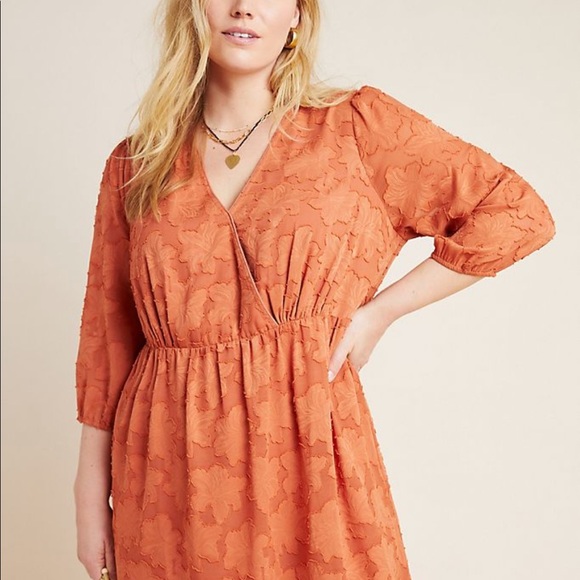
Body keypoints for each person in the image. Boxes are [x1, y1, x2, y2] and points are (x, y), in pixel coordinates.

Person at [73, 0, 556, 579]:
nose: (243, 7)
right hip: (169, 459)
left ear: (298, 15)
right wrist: (88, 492)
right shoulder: (136, 162)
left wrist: (379, 313)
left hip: (308, 445)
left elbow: (516, 213)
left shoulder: (355, 128)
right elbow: (107, 334)